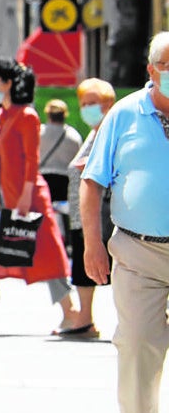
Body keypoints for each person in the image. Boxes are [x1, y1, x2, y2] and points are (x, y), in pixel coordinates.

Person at [81, 32, 169, 413]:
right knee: (138, 343)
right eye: (167, 65)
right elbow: (92, 181)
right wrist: (92, 244)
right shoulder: (124, 114)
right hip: (138, 251)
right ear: (151, 69)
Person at [0, 59, 79, 336]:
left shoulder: (26, 115)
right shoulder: (6, 114)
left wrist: (25, 197)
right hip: (5, 195)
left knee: (49, 254)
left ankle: (71, 312)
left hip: (29, 196)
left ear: (8, 83)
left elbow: (31, 160)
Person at [60, 78, 118, 339]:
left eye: (92, 103)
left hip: (101, 214)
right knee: (84, 268)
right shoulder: (95, 132)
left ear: (108, 104)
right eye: (84, 104)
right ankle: (84, 318)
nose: (87, 108)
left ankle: (86, 319)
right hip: (82, 213)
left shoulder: (111, 131)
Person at [38, 99, 83, 218]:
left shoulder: (39, 133)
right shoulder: (74, 136)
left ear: (47, 114)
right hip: (65, 183)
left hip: (43, 180)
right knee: (62, 218)